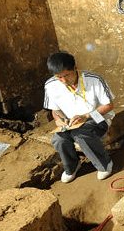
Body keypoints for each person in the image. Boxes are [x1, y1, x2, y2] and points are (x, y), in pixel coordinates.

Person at [44, 52, 115, 183]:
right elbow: (55, 110)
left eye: (67, 75)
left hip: (98, 117)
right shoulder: (50, 85)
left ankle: (105, 165)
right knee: (59, 139)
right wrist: (59, 119)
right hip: (72, 122)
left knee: (80, 133)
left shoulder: (94, 79)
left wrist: (86, 116)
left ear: (75, 68)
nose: (64, 81)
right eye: (59, 77)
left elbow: (108, 105)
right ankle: (72, 167)